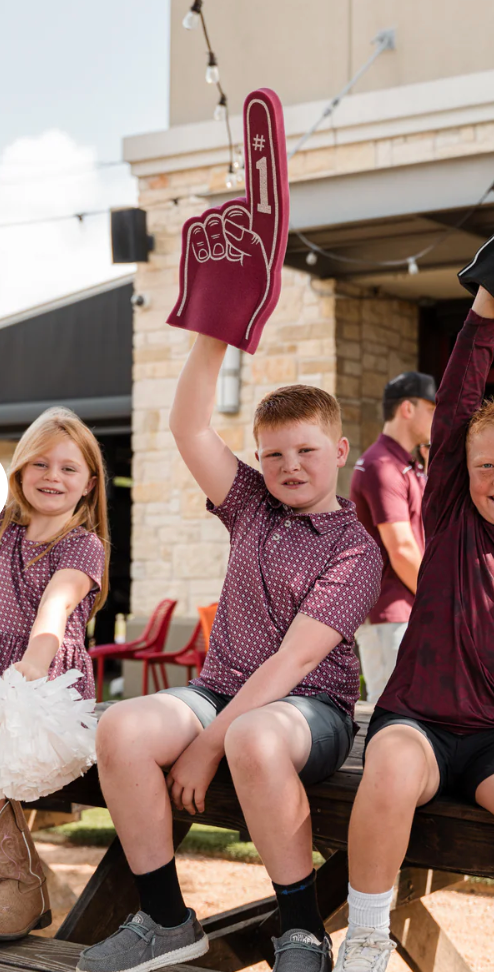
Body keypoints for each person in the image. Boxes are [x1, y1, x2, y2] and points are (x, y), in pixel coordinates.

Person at [78, 336, 382, 972]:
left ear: (339, 451)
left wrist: (207, 745)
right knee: (121, 727)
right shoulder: (249, 504)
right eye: (273, 454)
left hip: (309, 710)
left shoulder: (356, 549)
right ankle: (165, 921)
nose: (289, 466)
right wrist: (213, 337)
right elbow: (188, 427)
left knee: (252, 736)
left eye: (306, 451)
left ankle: (303, 934)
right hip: (219, 689)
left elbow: (295, 662)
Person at [335, 286, 494, 972]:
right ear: (460, 470)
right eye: (486, 466)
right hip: (416, 723)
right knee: (388, 769)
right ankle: (366, 943)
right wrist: (486, 308)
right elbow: (453, 407)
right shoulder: (451, 516)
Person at [0, 407, 109, 940]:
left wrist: (31, 666)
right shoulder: (3, 532)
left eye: (69, 468)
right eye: (40, 464)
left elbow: (55, 608)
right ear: (20, 471)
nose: (52, 476)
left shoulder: (82, 546)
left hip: (47, 691)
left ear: (89, 484)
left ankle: (18, 883)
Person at [350, 372, 436, 703]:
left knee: (416, 710)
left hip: (407, 609)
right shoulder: (381, 465)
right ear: (407, 409)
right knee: (391, 709)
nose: (436, 418)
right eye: (431, 409)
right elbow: (401, 549)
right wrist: (438, 602)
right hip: (390, 612)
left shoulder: (407, 464)